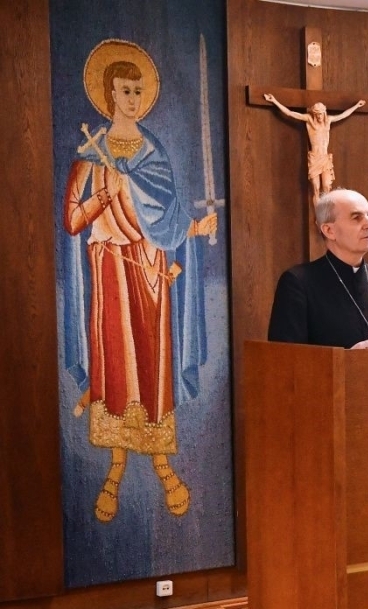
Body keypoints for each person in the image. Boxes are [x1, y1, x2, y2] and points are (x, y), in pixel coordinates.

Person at [61, 41, 217, 522]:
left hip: (150, 271)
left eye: (137, 91)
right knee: (115, 364)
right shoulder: (90, 152)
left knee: (151, 362)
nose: (131, 99)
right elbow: (72, 221)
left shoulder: (154, 154)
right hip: (110, 268)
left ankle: (163, 465)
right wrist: (105, 197)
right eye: (124, 90)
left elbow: (167, 218)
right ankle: (115, 467)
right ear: (109, 94)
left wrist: (194, 228)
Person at [268, 188, 368, 348]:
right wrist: (346, 358)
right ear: (329, 230)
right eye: (356, 217)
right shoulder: (298, 282)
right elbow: (285, 355)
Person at [263, 93, 366, 206]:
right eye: (317, 114)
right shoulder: (309, 120)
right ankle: (318, 213)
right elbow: (290, 113)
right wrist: (274, 101)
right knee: (316, 188)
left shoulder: (328, 120)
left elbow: (343, 115)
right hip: (314, 158)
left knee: (326, 186)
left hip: (325, 158)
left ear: (324, 113)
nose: (319, 116)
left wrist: (356, 106)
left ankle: (327, 211)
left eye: (321, 114)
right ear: (314, 114)